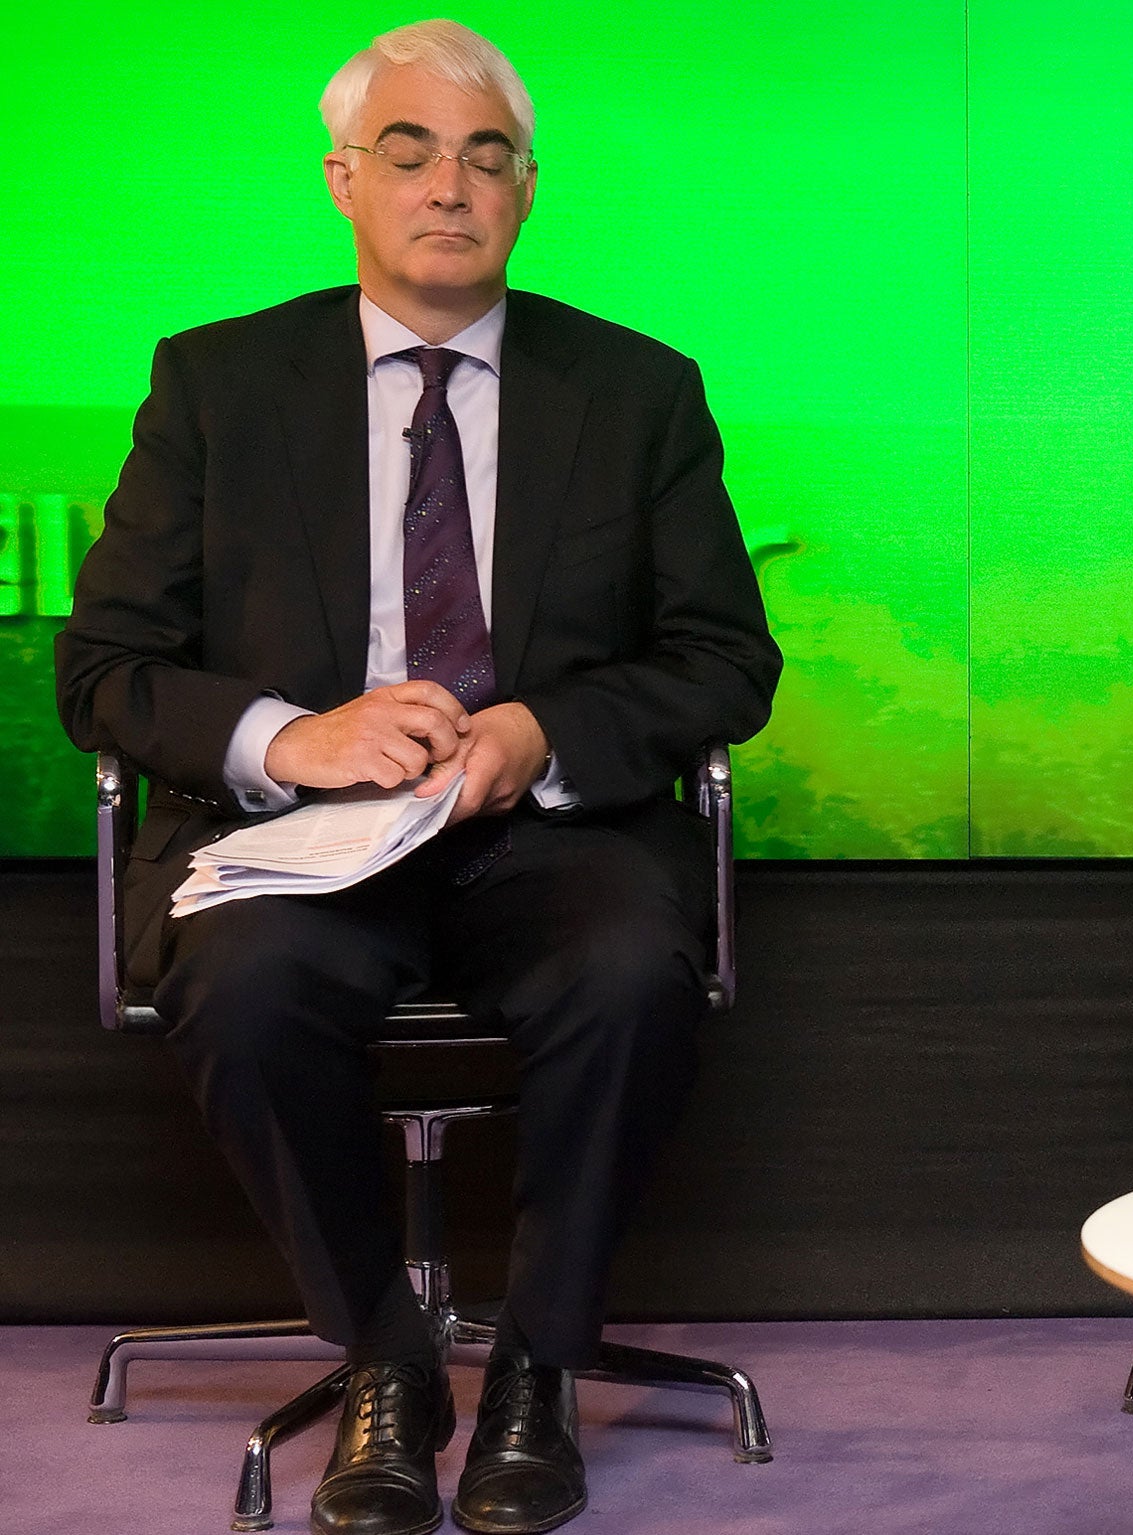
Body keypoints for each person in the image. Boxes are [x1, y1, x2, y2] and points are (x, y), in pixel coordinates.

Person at [55, 20, 779, 1535]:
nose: (450, 184)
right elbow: (105, 669)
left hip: (545, 839)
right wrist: (289, 737)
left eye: (488, 153)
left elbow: (725, 661)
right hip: (301, 844)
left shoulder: (637, 390)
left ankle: (534, 1366)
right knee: (245, 991)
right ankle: (389, 1358)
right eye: (409, 151)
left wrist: (541, 734)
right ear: (343, 181)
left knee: (632, 971)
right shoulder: (217, 384)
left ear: (527, 190)